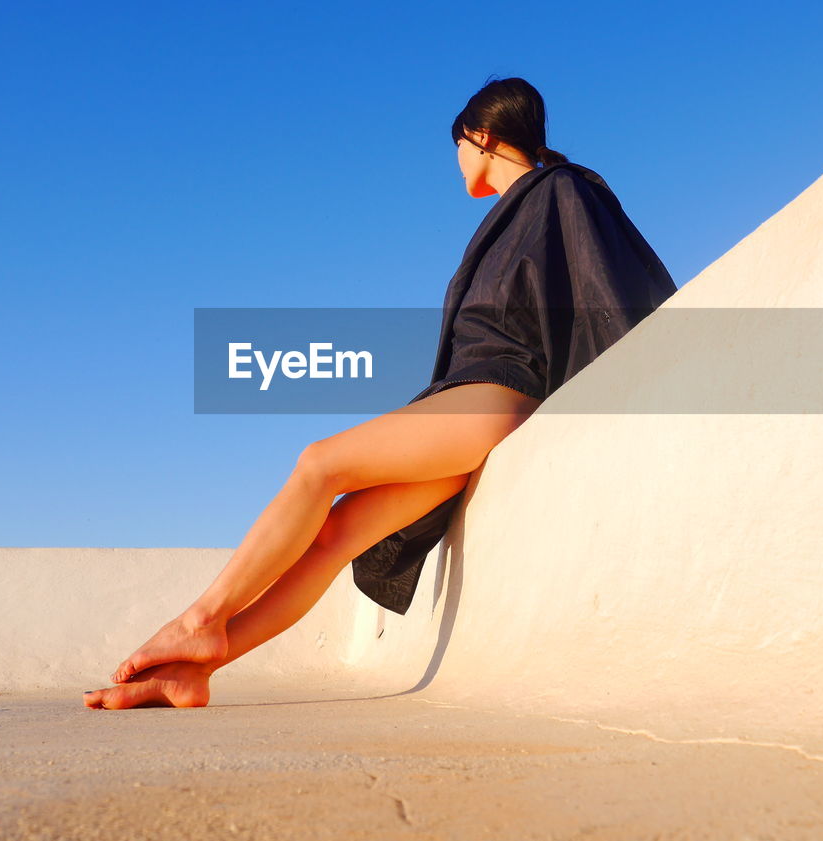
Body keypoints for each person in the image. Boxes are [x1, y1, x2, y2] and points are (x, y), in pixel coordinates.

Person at [83, 77, 677, 710]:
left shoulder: (561, 191)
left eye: (459, 146)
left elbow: (608, 284)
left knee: (318, 463)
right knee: (336, 536)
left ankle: (202, 618)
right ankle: (197, 672)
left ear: (481, 136)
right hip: (464, 404)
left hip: (497, 394)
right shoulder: (514, 216)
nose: (457, 163)